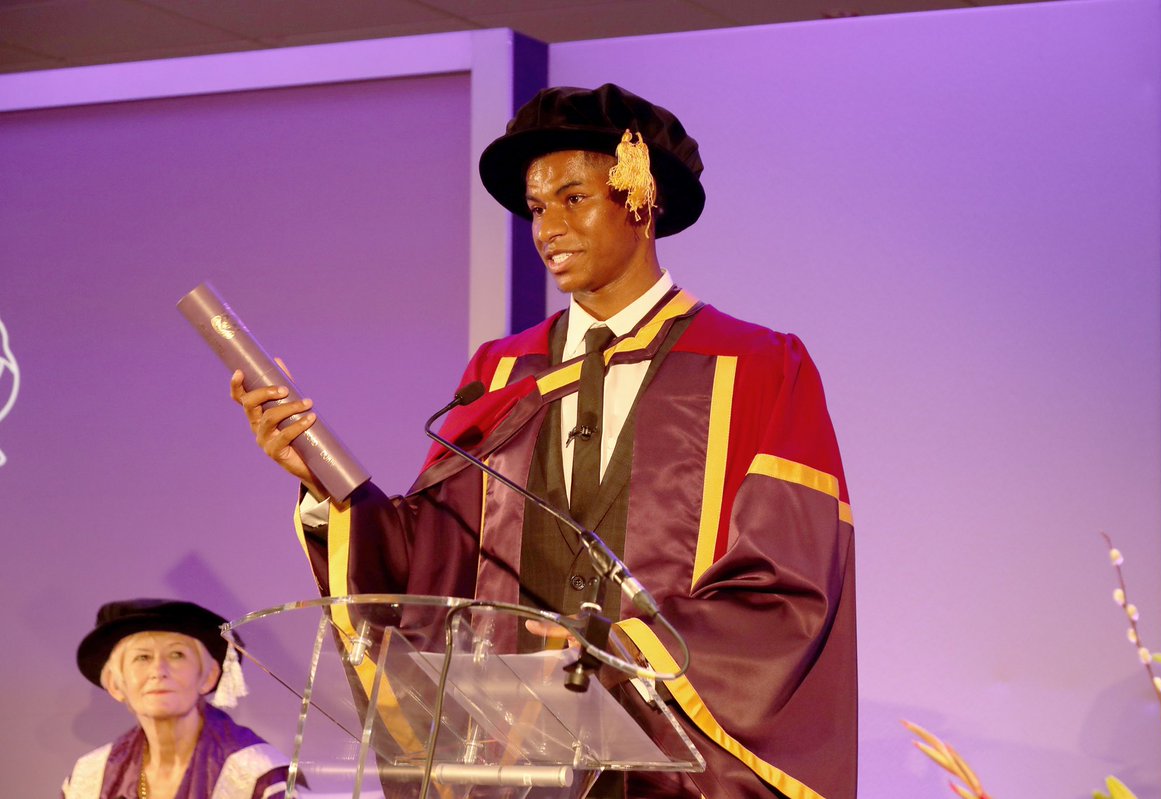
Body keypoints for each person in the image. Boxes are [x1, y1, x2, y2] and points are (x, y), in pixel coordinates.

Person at [232, 84, 857, 799]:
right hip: (513, 765)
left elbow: (789, 582)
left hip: (672, 768)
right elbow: (433, 560)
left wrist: (622, 648)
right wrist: (326, 481)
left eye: (572, 199)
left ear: (642, 199)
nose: (547, 229)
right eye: (535, 208)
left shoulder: (758, 366)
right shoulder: (502, 370)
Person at [62, 598, 295, 799]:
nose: (159, 671)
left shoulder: (258, 775)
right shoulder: (90, 778)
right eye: (142, 657)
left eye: (177, 655)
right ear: (115, 684)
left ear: (209, 676)